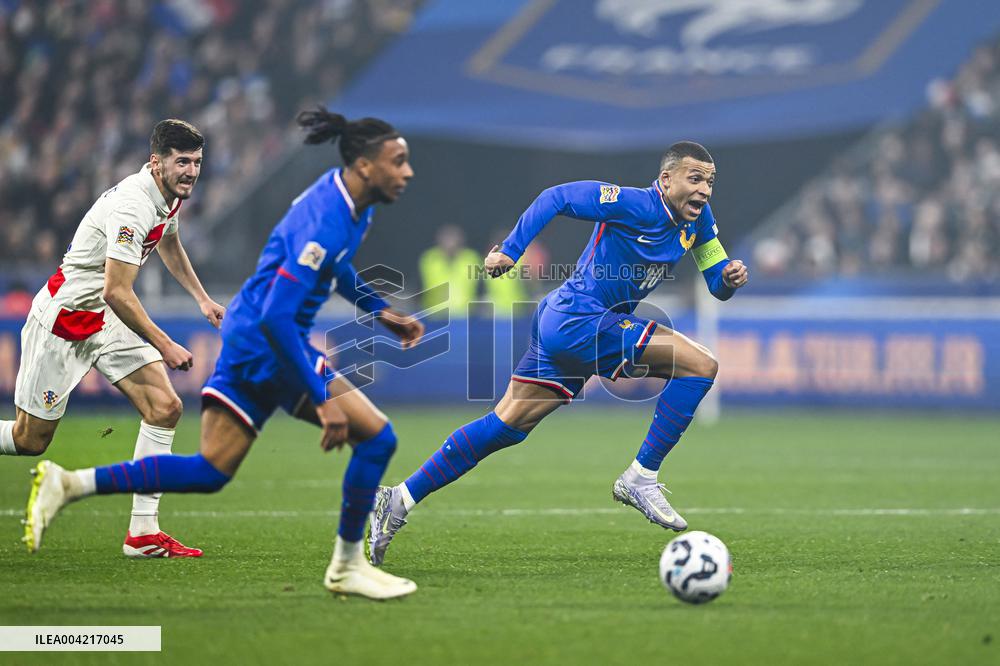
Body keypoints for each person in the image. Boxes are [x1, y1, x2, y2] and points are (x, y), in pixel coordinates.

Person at [27, 107, 426, 600]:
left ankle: (70, 485)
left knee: (210, 470)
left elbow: (337, 267)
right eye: (399, 161)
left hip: (250, 334)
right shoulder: (326, 218)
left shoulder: (349, 200)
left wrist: (380, 311)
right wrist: (320, 398)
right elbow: (279, 318)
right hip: (266, 341)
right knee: (378, 439)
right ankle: (346, 566)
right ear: (366, 166)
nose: (408, 172)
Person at [368, 141, 749, 566]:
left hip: (566, 321)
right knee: (701, 365)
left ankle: (398, 499)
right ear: (666, 179)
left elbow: (716, 282)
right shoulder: (634, 204)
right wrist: (511, 250)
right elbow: (557, 197)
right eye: (694, 179)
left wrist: (730, 278)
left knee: (505, 426)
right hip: (580, 319)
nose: (704, 191)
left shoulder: (699, 222)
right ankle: (641, 477)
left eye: (710, 182)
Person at [3, 119, 225, 558]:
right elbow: (116, 290)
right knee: (31, 441)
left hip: (103, 319)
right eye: (183, 162)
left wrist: (200, 298)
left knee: (165, 408)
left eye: (197, 163)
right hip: (64, 321)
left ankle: (142, 533)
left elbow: (168, 241)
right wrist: (165, 344)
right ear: (156, 162)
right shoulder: (132, 206)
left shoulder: (168, 196)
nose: (192, 172)